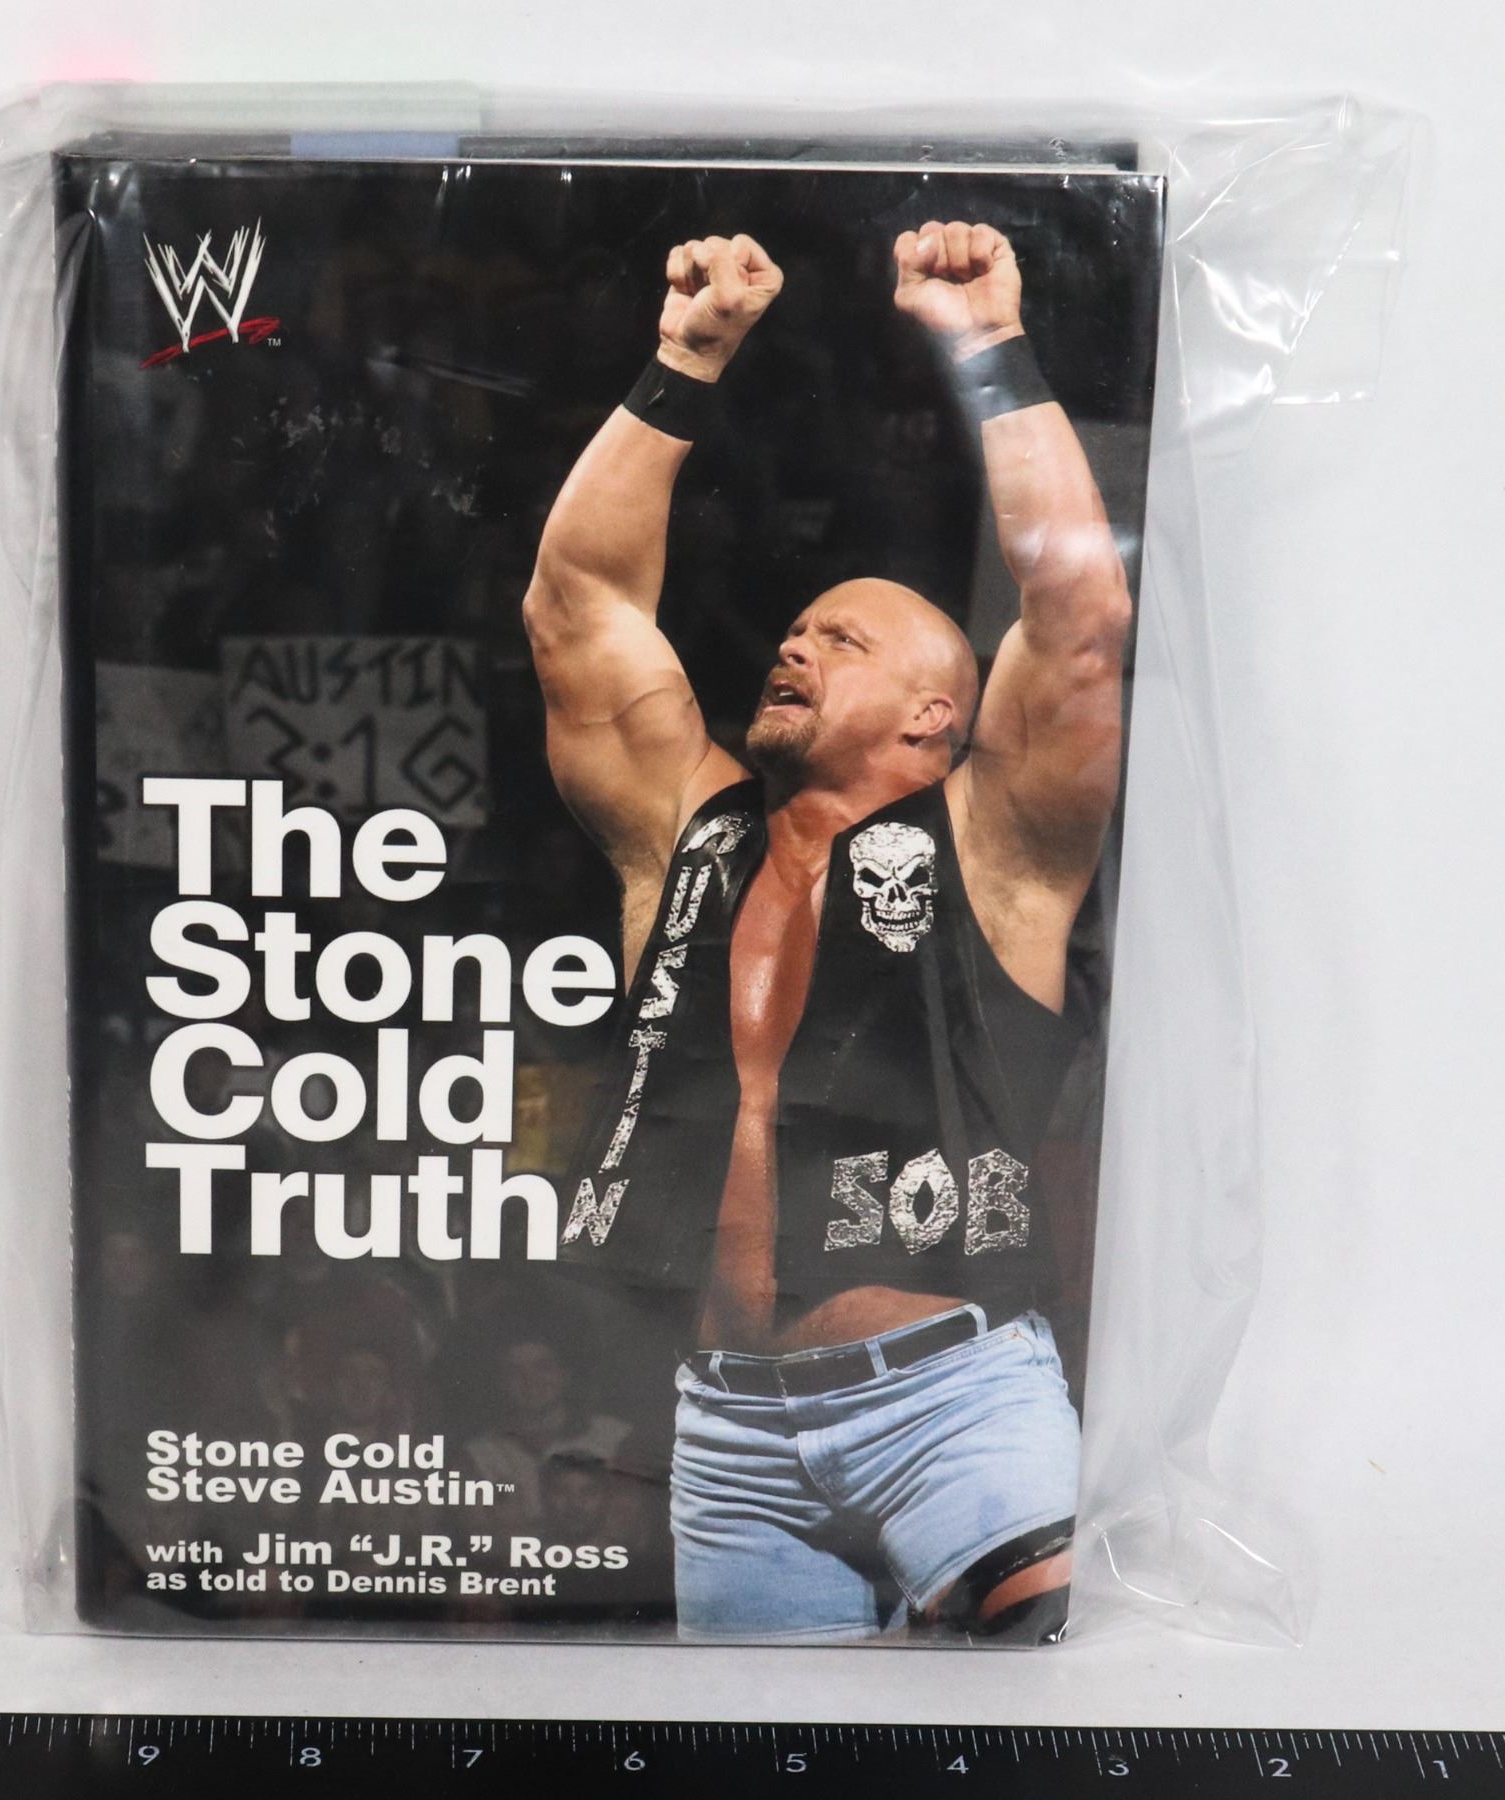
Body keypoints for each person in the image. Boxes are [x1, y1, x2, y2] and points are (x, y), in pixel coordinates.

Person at [523, 222, 1130, 1644]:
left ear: (936, 714)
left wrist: (988, 346)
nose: (794, 644)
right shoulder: (686, 832)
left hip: (953, 1403)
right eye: (796, 629)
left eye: (841, 640)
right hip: (729, 1436)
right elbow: (577, 606)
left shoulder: (999, 845)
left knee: (1033, 1713)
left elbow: (1079, 618)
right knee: (757, 1748)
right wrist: (684, 359)